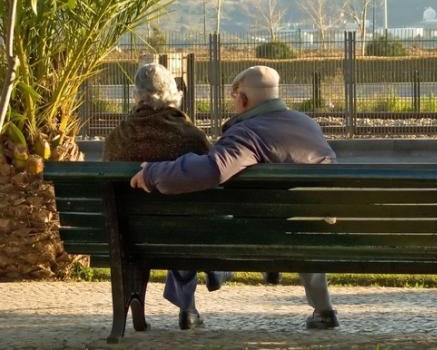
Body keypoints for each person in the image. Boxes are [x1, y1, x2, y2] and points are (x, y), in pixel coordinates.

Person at [130, 65, 339, 329]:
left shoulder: (247, 133)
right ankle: (324, 309)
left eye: (234, 96)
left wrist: (152, 174)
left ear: (243, 99)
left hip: (263, 233)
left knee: (195, 218)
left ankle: (217, 270)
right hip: (316, 230)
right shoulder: (307, 124)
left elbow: (213, 169)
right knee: (305, 217)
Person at [103, 63, 231, 330]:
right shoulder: (189, 135)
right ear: (172, 92)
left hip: (129, 235)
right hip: (184, 231)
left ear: (136, 95)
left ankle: (138, 316)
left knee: (172, 221)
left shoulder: (117, 138)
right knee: (185, 218)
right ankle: (191, 304)